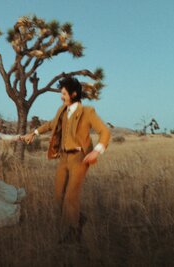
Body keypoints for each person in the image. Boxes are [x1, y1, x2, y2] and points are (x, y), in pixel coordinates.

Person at [22, 77, 111, 242]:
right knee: (59, 196)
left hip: (80, 158)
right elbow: (51, 124)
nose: (61, 96)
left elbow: (105, 132)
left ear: (74, 94)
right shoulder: (62, 110)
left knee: (71, 196)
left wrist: (96, 151)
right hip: (63, 157)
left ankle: (73, 234)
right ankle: (78, 218)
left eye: (63, 93)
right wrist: (33, 134)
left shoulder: (87, 112)